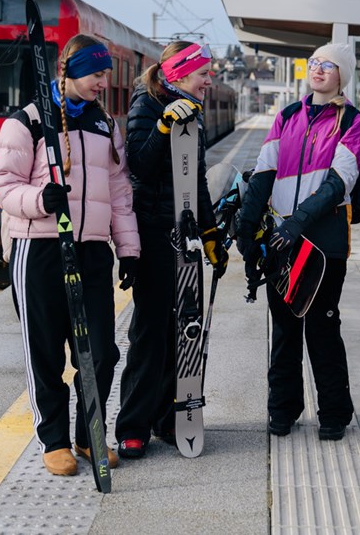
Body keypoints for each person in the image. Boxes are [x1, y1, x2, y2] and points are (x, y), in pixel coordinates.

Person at [0, 34, 140, 477]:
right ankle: (53, 440)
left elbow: (118, 193)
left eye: (105, 75)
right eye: (97, 74)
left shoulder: (104, 125)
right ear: (72, 72)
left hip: (91, 251)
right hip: (38, 249)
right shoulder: (28, 120)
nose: (102, 83)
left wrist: (128, 249)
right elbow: (2, 185)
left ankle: (88, 434)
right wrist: (41, 199)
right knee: (46, 352)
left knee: (101, 352)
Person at [234, 42, 360, 442]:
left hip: (324, 243)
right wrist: (247, 223)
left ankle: (334, 414)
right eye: (314, 63)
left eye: (328, 65)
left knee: (322, 327)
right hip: (280, 239)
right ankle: (283, 409)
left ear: (342, 74)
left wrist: (299, 222)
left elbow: (338, 182)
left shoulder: (351, 122)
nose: (319, 70)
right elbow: (263, 172)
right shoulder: (288, 115)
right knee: (285, 327)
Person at [115, 41, 228, 459]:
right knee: (149, 333)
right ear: (180, 74)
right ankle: (132, 427)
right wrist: (163, 129)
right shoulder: (147, 105)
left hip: (186, 237)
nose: (208, 79)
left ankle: (168, 419)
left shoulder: (194, 114)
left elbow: (195, 181)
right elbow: (139, 167)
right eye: (203, 73)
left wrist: (212, 234)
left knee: (181, 332)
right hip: (153, 234)